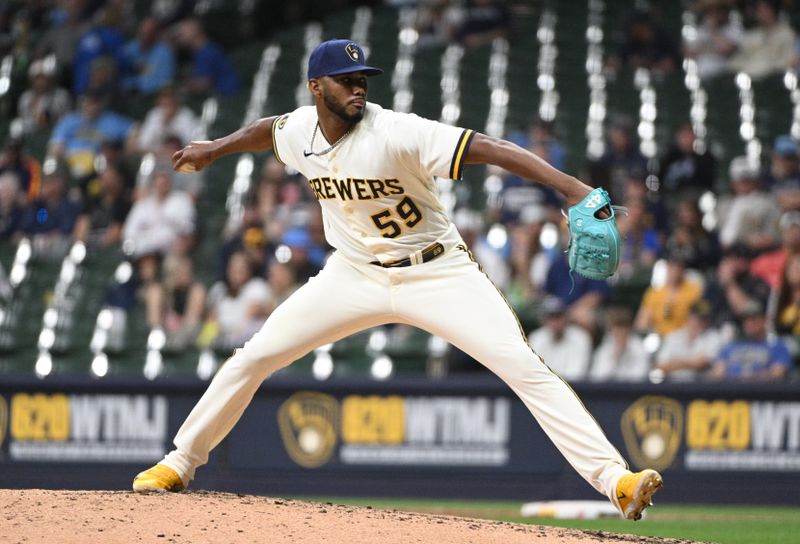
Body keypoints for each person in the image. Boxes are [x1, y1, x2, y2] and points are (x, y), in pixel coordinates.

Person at [132, 39, 662, 521]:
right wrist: (213, 148)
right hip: (353, 273)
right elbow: (266, 131)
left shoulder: (396, 132)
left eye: (363, 78)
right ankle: (179, 463)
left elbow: (489, 147)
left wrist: (570, 189)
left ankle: (616, 481)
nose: (358, 86)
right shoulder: (300, 130)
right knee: (254, 356)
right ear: (317, 88)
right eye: (346, 78)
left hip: (438, 271)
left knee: (524, 367)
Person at [711, 300, 792, 381]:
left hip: (762, 391)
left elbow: (777, 374)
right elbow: (717, 373)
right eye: (746, 320)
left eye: (753, 318)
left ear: (764, 320)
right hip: (731, 390)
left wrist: (748, 378)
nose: (749, 323)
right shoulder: (730, 346)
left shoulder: (777, 346)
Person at [634, 251, 703, 337]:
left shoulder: (694, 290)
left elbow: (698, 319)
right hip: (659, 338)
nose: (675, 269)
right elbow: (642, 321)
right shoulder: (655, 292)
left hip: (684, 338)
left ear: (683, 268)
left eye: (679, 266)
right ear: (667, 267)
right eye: (672, 265)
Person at [527, 296, 592, 382]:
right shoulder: (536, 338)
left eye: (558, 316)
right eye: (551, 317)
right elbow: (533, 372)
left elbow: (577, 374)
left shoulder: (581, 338)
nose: (555, 322)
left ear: (566, 317)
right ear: (544, 320)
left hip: (573, 390)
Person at [654, 300, 722, 381]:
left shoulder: (713, 336)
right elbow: (660, 366)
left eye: (705, 319)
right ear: (689, 318)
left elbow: (701, 363)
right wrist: (690, 363)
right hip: (673, 387)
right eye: (698, 318)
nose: (702, 322)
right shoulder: (673, 337)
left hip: (701, 388)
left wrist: (673, 363)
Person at [589, 307, 650, 382]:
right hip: (608, 390)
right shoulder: (604, 348)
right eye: (617, 329)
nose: (621, 333)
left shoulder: (639, 348)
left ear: (629, 329)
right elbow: (597, 377)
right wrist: (615, 357)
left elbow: (640, 377)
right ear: (611, 331)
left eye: (624, 329)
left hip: (632, 391)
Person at [121, 17, 176, 96]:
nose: (144, 36)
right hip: (129, 94)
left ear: (156, 34)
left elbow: (164, 82)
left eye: (149, 33)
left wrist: (138, 85)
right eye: (142, 32)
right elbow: (122, 74)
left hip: (153, 96)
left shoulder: (165, 53)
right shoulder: (131, 48)